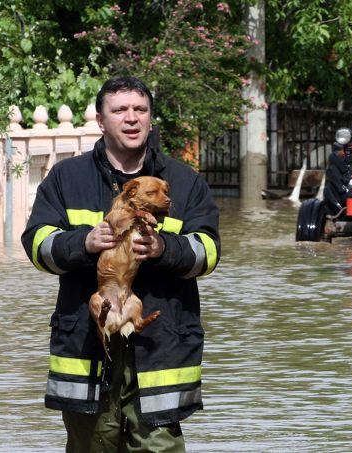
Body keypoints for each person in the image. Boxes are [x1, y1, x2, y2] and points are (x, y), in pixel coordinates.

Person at [21, 76, 220, 452]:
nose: (131, 118)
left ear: (150, 118)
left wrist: (164, 248)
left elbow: (209, 252)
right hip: (88, 347)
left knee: (158, 446)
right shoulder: (68, 177)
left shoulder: (183, 181)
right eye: (120, 110)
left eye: (140, 110)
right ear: (101, 120)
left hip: (160, 350)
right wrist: (83, 242)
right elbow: (36, 245)